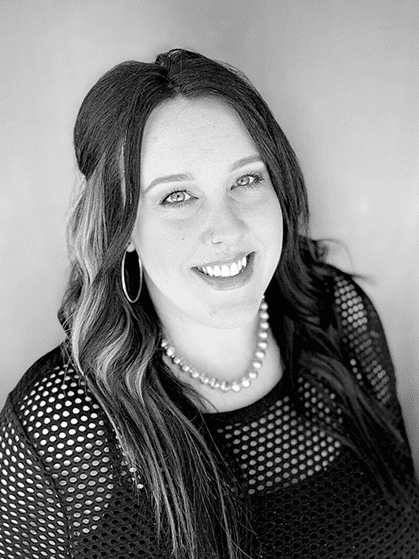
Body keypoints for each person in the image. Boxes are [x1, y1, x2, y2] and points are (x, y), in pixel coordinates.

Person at [0, 48, 418, 559]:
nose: (226, 230)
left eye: (246, 179)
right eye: (177, 196)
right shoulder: (59, 425)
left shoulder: (337, 316)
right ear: (122, 227)